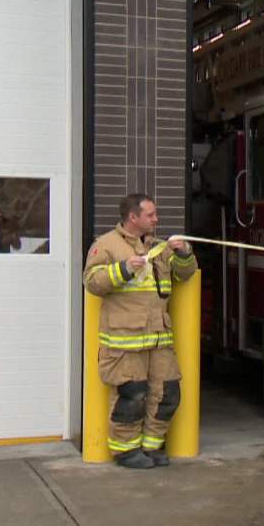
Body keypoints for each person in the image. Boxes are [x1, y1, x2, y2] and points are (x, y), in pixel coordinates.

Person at [83, 194, 197, 468]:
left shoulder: (159, 247)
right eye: (151, 215)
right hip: (125, 340)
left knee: (168, 394)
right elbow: (92, 281)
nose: (156, 219)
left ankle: (151, 446)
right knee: (132, 396)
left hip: (158, 339)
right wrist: (122, 269)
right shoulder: (107, 246)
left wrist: (184, 254)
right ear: (133, 218)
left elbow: (185, 273)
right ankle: (125, 451)